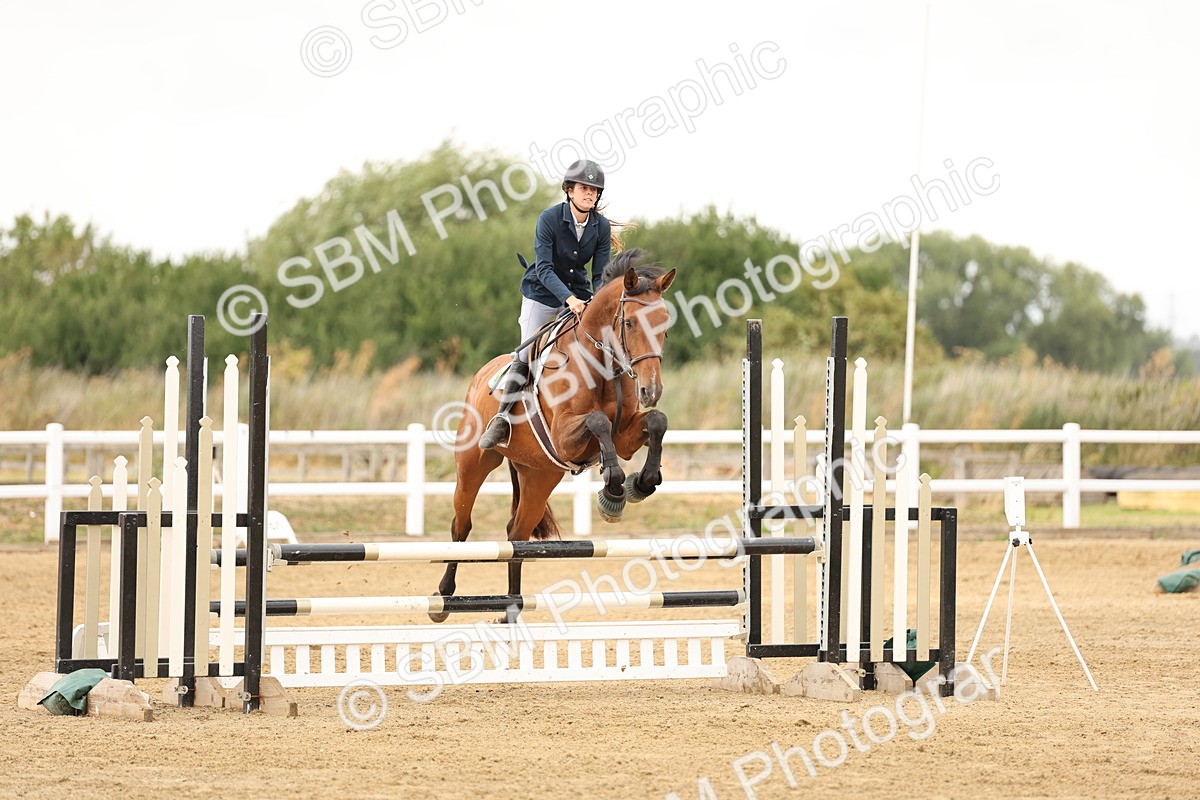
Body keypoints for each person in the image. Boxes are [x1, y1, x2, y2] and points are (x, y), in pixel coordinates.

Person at [478, 159, 615, 450]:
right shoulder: (549, 219)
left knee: (595, 346)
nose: (589, 194)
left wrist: (596, 303)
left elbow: (601, 273)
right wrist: (569, 299)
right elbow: (544, 269)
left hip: (580, 295)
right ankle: (502, 419)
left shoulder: (600, 226)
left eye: (594, 190)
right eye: (583, 188)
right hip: (541, 293)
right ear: (569, 190)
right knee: (528, 351)